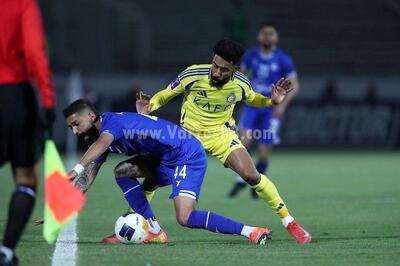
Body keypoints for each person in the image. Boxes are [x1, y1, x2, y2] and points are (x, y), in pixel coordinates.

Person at [135, 39, 311, 244]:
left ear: (235, 69)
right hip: (188, 138)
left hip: (221, 135)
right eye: (215, 66)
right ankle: (137, 224)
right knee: (152, 178)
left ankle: (289, 221)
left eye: (223, 70)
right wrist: (151, 106)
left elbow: (252, 97)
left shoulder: (241, 83)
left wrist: (271, 101)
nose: (216, 72)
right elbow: (166, 93)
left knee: (252, 175)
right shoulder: (193, 74)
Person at [64, 99, 273, 245]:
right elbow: (87, 177)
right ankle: (155, 232)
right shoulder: (101, 138)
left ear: (91, 116)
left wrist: (76, 168)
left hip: (186, 155)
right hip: (163, 159)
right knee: (122, 171)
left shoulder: (111, 126)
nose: (75, 130)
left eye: (76, 124)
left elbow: (101, 145)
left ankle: (251, 231)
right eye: (71, 127)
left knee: (185, 217)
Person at [0, 0, 56, 265]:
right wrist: (47, 101)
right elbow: (35, 52)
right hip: (12, 96)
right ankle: (6, 252)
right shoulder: (22, 3)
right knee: (25, 177)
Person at [228, 22, 300, 199]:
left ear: (276, 37)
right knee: (244, 142)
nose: (267, 36)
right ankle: (242, 179)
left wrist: (282, 105)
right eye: (264, 33)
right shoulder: (251, 56)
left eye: (271, 34)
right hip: (252, 106)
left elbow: (295, 85)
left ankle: (255, 184)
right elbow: (240, 76)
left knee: (264, 152)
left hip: (271, 109)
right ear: (259, 36)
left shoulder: (283, 59)